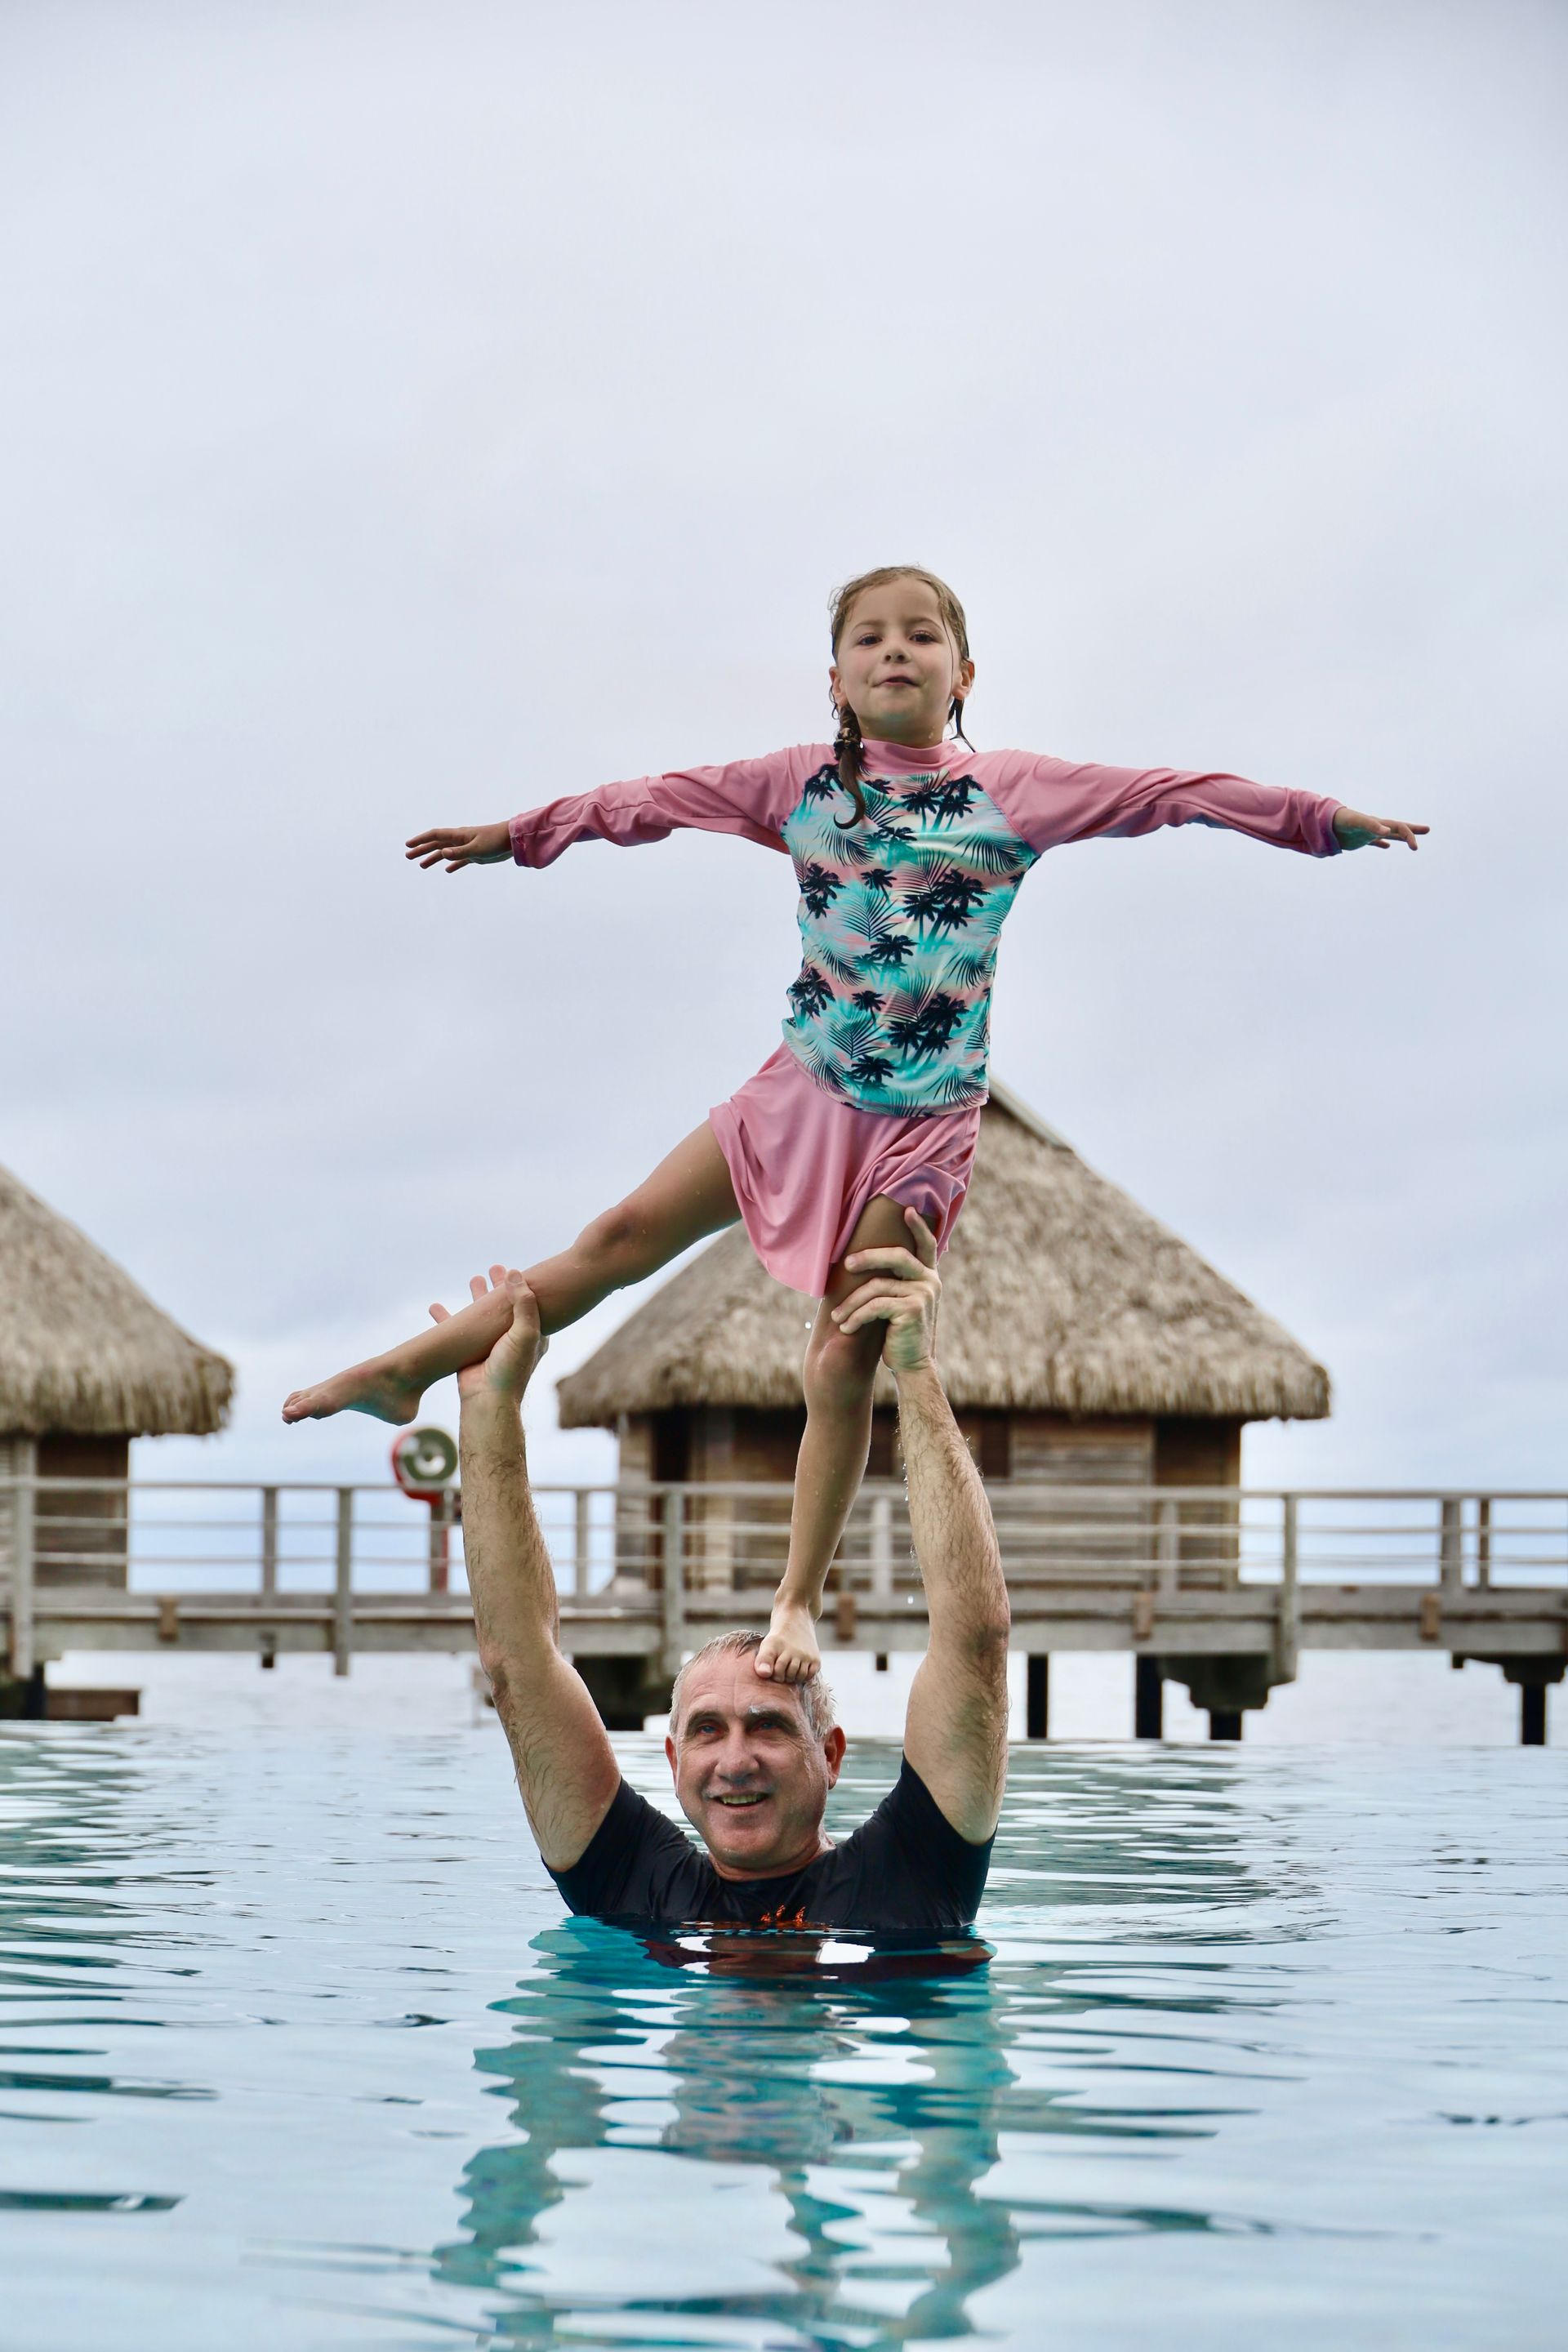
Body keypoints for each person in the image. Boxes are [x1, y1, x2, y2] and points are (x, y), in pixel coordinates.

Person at [283, 563, 1427, 1688]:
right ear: (834, 678)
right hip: (802, 1091)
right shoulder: (796, 785)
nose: (895, 651)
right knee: (618, 1237)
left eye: (921, 635)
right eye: (871, 637)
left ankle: (794, 1599)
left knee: (845, 1351)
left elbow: (1176, 794)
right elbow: (652, 802)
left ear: (963, 670)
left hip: (923, 1124)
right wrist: (522, 834)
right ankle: (406, 1370)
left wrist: (1325, 822)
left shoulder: (1016, 792)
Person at [453, 1211, 1010, 1932]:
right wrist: (489, 1408)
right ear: (674, 1756)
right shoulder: (629, 1880)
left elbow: (977, 1641)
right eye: (708, 1730)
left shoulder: (911, 1876)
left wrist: (915, 1373)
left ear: (831, 1755)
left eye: (770, 1726)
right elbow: (518, 1665)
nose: (735, 1760)